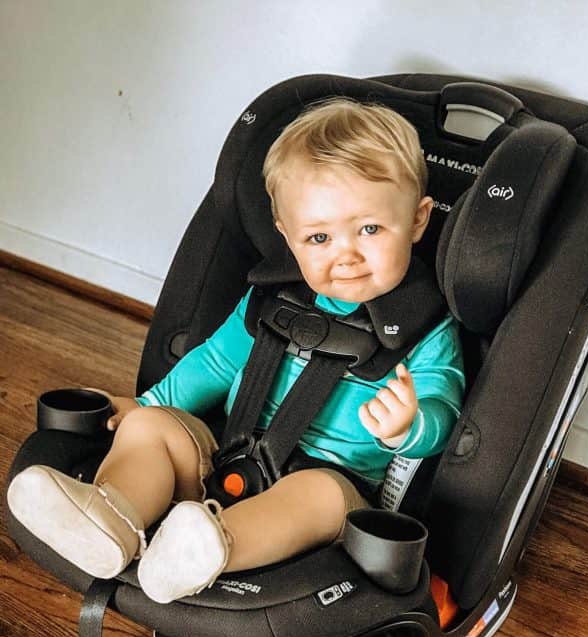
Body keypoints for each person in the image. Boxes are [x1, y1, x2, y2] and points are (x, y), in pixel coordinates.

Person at [8, 98, 465, 604]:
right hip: (228, 457)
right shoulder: (272, 299)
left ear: (419, 220)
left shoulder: (425, 328)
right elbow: (216, 362)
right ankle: (111, 519)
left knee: (315, 497)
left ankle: (205, 551)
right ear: (286, 236)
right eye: (319, 237)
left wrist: (409, 424)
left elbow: (443, 408)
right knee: (149, 428)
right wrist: (151, 403)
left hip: (333, 486)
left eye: (371, 229)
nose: (347, 255)